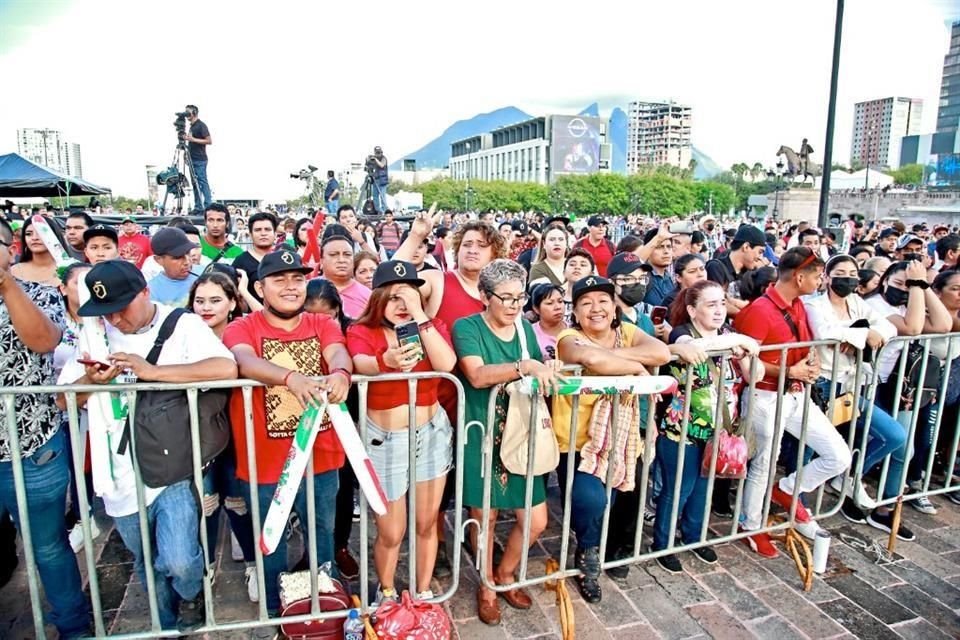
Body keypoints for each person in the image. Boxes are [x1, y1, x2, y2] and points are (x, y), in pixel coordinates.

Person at [75, 259, 238, 632]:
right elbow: (65, 399)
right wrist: (91, 380)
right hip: (116, 472)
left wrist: (153, 374)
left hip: (171, 465)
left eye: (121, 309)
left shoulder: (182, 325)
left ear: (145, 292)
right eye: (105, 313)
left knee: (179, 559)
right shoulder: (94, 334)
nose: (114, 320)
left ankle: (191, 592)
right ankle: (166, 625)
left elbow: (225, 368)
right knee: (146, 560)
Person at [223, 248, 352, 615]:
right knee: (271, 538)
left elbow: (338, 351)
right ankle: (278, 609)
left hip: (322, 453)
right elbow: (245, 361)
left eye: (298, 278)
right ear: (261, 288)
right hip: (264, 458)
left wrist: (341, 373)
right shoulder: (242, 326)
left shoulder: (321, 323)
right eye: (280, 280)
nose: (291, 287)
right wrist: (289, 378)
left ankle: (323, 602)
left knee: (322, 534)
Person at [453, 259, 562, 625]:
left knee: (535, 520)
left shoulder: (524, 330)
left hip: (521, 431)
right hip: (481, 432)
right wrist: (524, 367)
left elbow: (536, 369)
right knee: (484, 516)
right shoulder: (467, 327)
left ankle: (505, 572)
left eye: (520, 298)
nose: (514, 305)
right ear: (485, 296)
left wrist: (545, 371)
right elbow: (477, 374)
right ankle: (486, 585)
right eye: (506, 298)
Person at [554, 274, 671, 602]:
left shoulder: (628, 333)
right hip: (577, 441)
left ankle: (596, 545)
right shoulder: (568, 337)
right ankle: (588, 553)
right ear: (575, 312)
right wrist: (634, 368)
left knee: (616, 497)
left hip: (620, 436)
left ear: (614, 306)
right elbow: (589, 358)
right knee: (591, 500)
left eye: (603, 301)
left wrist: (622, 363)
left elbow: (661, 353)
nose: (596, 308)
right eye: (586, 303)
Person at [0, 219, 91, 638]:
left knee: (48, 546)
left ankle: (73, 626)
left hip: (32, 446)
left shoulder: (35, 294)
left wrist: (6, 286)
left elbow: (44, 341)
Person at [346, 260, 456, 602]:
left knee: (426, 523)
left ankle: (422, 593)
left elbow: (447, 364)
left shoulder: (431, 326)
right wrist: (386, 362)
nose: (400, 305)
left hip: (432, 432)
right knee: (391, 531)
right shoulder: (361, 330)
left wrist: (421, 317)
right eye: (392, 297)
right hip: (384, 439)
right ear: (378, 299)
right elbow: (359, 363)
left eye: (407, 296)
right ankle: (388, 590)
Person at [734, 247, 852, 557]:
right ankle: (751, 525)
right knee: (763, 465)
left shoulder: (799, 305)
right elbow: (744, 362)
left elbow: (806, 343)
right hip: (765, 397)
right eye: (817, 275)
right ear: (799, 277)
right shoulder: (758, 310)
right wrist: (790, 369)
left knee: (838, 455)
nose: (821, 281)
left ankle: (786, 491)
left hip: (796, 394)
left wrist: (808, 362)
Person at [653, 280, 759, 574]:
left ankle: (693, 537)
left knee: (704, 488)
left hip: (717, 431)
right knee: (678, 489)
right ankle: (662, 544)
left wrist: (749, 354)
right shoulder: (682, 333)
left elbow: (754, 375)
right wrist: (738, 340)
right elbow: (697, 348)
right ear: (691, 309)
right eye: (711, 304)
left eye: (723, 303)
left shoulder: (728, 337)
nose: (719, 310)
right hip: (681, 430)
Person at [803, 255, 912, 538]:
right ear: (826, 276)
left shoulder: (857, 303)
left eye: (852, 273)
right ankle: (796, 505)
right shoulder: (814, 304)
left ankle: (849, 476)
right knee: (806, 447)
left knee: (894, 435)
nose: (847, 277)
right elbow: (825, 332)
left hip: (850, 388)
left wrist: (862, 334)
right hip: (821, 385)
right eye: (840, 272)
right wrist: (863, 334)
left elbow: (887, 327)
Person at [186, 272, 259, 601]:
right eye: (199, 300)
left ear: (232, 303)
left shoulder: (243, 332)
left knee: (237, 499)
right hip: (198, 434)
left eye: (215, 300)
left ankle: (253, 563)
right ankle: (204, 567)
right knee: (207, 500)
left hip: (240, 431)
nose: (205, 307)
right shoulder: (182, 334)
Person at [866, 260, 953, 515]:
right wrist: (916, 284)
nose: (904, 290)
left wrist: (923, 285)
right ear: (884, 281)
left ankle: (887, 506)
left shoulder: (909, 305)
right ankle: (851, 479)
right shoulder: (874, 306)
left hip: (898, 387)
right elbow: (913, 329)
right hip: (869, 384)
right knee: (888, 438)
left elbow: (942, 325)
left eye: (909, 285)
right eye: (898, 283)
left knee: (905, 449)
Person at [706, 225, 766, 317]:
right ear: (746, 247)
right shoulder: (716, 267)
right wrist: (745, 316)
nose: (760, 257)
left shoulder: (751, 272)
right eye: (760, 252)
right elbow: (717, 303)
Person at [320, 234, 371, 318]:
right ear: (321, 261)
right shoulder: (306, 291)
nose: (341, 260)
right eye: (333, 255)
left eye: (347, 254)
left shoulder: (369, 296)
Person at [233, 211, 278, 304]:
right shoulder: (241, 261)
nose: (263, 233)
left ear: (275, 234)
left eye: (267, 229)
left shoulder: (283, 259)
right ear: (250, 234)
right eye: (258, 230)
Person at [148, 228, 200, 308]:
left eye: (188, 253)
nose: (187, 261)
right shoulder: (152, 291)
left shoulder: (206, 273)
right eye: (178, 257)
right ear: (159, 260)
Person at [11, 216, 62, 286]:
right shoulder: (13, 272)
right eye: (29, 234)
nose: (34, 238)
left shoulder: (70, 269)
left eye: (40, 232)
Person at [183, 104, 213, 211]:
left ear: (194, 113)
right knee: (194, 184)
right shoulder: (192, 126)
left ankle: (208, 205)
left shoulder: (201, 125)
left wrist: (193, 139)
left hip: (200, 159)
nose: (187, 115)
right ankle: (198, 206)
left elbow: (209, 141)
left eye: (188, 112)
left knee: (202, 181)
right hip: (192, 159)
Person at [529, 283, 566, 360]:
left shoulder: (575, 328)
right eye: (550, 303)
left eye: (560, 301)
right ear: (536, 309)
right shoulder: (529, 333)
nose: (558, 307)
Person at [528, 222, 569, 288]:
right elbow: (546, 295)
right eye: (552, 239)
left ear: (566, 243)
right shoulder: (537, 269)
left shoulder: (576, 265)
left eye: (561, 239)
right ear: (544, 244)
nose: (557, 243)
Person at [369, 146, 389, 213]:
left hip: (382, 180)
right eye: (376, 153)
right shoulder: (373, 160)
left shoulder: (384, 158)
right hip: (375, 179)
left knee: (382, 196)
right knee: (375, 196)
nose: (378, 154)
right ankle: (378, 210)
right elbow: (369, 167)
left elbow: (381, 165)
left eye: (379, 152)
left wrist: (375, 159)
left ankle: (384, 210)